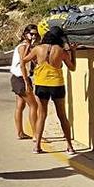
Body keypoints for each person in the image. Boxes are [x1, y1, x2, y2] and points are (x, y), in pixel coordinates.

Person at [22, 26, 76, 154]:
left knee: (42, 115)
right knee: (62, 116)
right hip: (57, 84)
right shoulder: (61, 50)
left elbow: (24, 60)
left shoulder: (38, 49)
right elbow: (72, 67)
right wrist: (73, 52)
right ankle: (70, 146)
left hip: (41, 85)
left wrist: (28, 47)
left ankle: (37, 146)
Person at [10, 24, 40, 139]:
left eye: (35, 34)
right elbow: (23, 65)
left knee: (20, 106)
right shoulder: (23, 47)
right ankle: (36, 135)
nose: (33, 36)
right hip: (21, 78)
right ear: (25, 34)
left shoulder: (27, 46)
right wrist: (27, 82)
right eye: (31, 34)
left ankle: (20, 133)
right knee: (34, 105)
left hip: (16, 78)